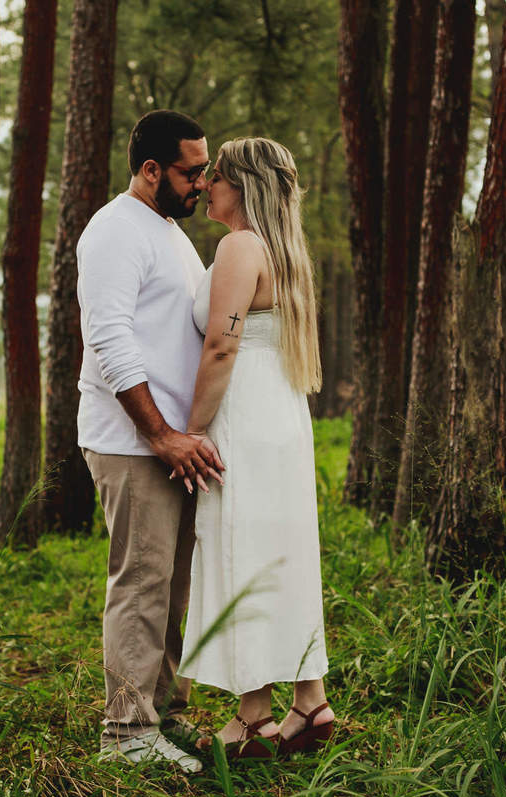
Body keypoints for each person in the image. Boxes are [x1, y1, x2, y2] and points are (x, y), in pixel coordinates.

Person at [76, 109, 225, 772]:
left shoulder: (168, 231)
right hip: (134, 443)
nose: (202, 183)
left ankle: (159, 719)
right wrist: (161, 433)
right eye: (192, 172)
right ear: (150, 170)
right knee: (141, 582)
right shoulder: (116, 230)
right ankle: (126, 735)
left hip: (172, 445)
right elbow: (110, 342)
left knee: (169, 586)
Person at [177, 137, 335, 759]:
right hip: (282, 413)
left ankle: (253, 717)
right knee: (283, 553)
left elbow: (221, 347)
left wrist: (190, 432)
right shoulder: (283, 250)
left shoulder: (241, 246)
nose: (205, 184)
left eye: (213, 175)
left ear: (239, 186)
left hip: (243, 413)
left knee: (242, 552)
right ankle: (311, 699)